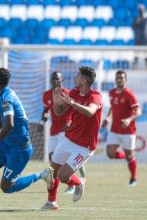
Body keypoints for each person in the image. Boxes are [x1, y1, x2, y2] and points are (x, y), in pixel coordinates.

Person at [0, 67, 53, 213]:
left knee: (6, 188)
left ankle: (41, 175)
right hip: (7, 144)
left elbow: (9, 124)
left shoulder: (6, 99)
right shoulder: (3, 95)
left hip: (19, 149)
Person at [40, 66, 102, 211]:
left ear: (84, 80)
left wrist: (72, 103)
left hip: (85, 146)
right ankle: (51, 202)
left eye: (77, 75)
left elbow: (90, 112)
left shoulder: (96, 96)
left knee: (63, 176)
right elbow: (59, 111)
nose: (75, 77)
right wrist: (57, 101)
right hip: (68, 139)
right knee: (52, 172)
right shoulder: (74, 92)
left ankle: (80, 182)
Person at [38, 71, 86, 194]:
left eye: (57, 79)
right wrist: (43, 122)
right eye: (53, 78)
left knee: (64, 160)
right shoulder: (46, 95)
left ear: (62, 80)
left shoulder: (68, 94)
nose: (55, 81)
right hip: (54, 130)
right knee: (52, 160)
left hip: (66, 131)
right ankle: (69, 183)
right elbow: (45, 111)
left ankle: (71, 186)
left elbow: (76, 110)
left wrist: (72, 123)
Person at [102, 70, 141, 187]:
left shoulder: (129, 94)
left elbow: (138, 111)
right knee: (110, 153)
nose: (119, 80)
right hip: (115, 129)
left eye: (121, 78)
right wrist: (108, 118)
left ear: (125, 80)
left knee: (130, 155)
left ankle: (133, 178)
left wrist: (129, 120)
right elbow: (113, 107)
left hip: (128, 131)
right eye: (117, 78)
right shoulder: (112, 92)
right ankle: (128, 157)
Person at [132, 4, 147, 69]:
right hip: (138, 38)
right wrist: (138, 21)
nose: (141, 11)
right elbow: (133, 27)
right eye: (140, 10)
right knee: (136, 53)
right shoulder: (136, 19)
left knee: (146, 53)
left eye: (142, 10)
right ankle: (135, 66)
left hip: (146, 39)